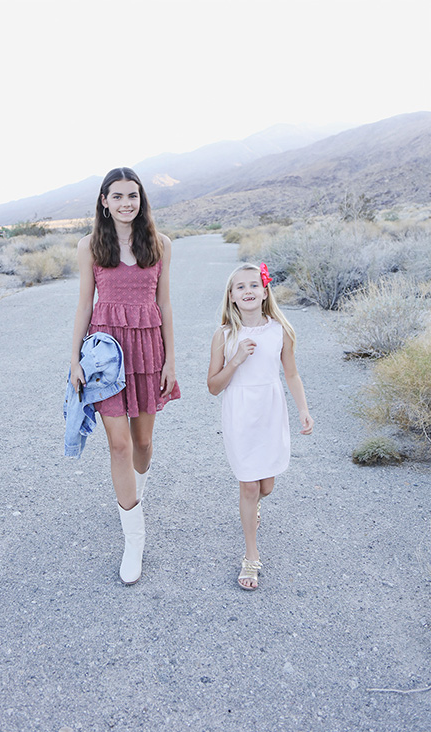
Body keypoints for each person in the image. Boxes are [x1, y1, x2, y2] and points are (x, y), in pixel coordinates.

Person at [69, 167, 180, 585]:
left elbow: (164, 305)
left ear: (141, 198)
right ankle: (134, 539)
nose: (125, 203)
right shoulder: (90, 245)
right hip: (106, 356)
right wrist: (75, 359)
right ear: (104, 201)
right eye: (116, 196)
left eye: (132, 195)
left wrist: (171, 360)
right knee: (118, 445)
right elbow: (84, 305)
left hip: (148, 348)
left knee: (142, 442)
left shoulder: (161, 243)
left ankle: (136, 492)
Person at [207, 263, 314, 590]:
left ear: (265, 291)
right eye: (240, 287)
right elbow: (213, 386)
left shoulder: (280, 330)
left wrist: (303, 410)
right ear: (231, 296)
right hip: (240, 415)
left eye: (254, 285)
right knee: (249, 487)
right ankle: (251, 556)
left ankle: (253, 507)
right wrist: (236, 359)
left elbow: (291, 374)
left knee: (265, 486)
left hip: (270, 412)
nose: (248, 291)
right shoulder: (224, 335)